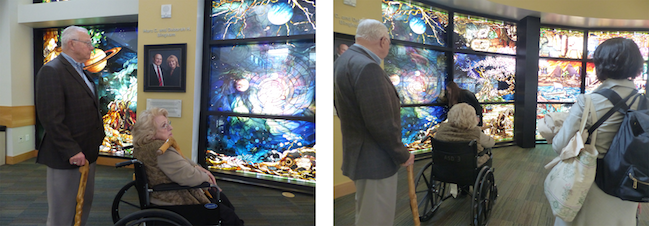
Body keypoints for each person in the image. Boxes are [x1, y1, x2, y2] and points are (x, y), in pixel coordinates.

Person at [551, 37, 644, 226]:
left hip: (591, 181)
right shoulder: (645, 103)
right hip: (629, 182)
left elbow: (560, 146)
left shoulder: (588, 102)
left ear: (601, 64)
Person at [334, 18, 415, 226]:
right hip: (375, 160)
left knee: (366, 215)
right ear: (383, 41)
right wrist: (402, 154)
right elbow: (381, 124)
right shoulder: (368, 67)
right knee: (377, 219)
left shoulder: (344, 61)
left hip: (359, 154)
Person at [35, 25, 106, 226]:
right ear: (72, 44)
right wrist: (72, 150)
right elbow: (51, 118)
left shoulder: (81, 71)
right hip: (67, 156)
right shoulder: (52, 71)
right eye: (87, 43)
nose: (91, 48)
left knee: (82, 206)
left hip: (87, 153)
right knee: (63, 213)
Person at [132, 107, 244, 226]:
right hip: (174, 202)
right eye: (164, 125)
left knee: (222, 200)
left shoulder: (147, 147)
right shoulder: (161, 152)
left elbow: (182, 161)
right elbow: (190, 176)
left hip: (158, 196)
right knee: (228, 215)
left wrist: (197, 167)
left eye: (168, 123)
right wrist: (207, 178)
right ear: (150, 132)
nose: (170, 127)